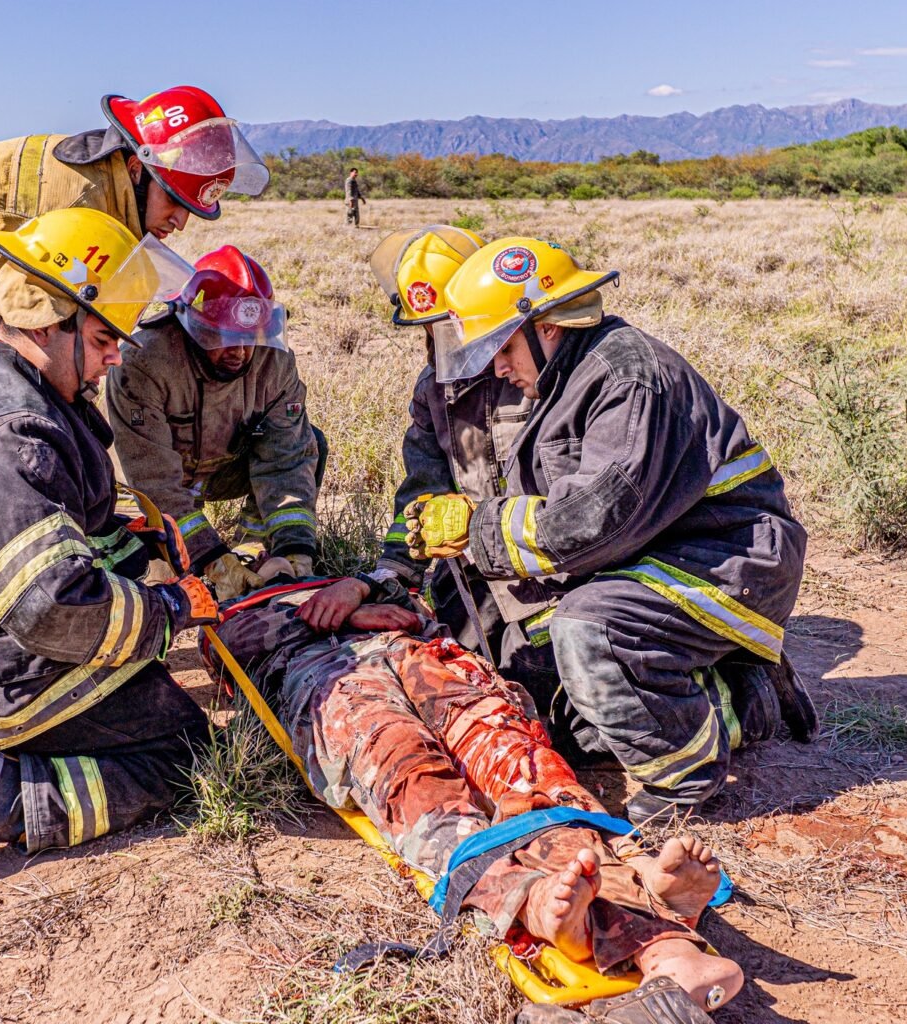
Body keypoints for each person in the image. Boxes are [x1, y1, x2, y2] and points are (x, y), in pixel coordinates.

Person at [0, 206, 222, 896]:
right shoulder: (9, 434)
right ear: (44, 318)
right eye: (100, 336)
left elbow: (41, 534)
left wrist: (135, 546)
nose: (116, 354)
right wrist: (172, 608)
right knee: (184, 750)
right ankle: (1, 795)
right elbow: (53, 607)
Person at [405, 237, 817, 822]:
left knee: (589, 633)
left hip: (732, 558)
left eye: (503, 347)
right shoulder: (563, 381)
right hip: (662, 557)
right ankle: (739, 696)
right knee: (561, 716)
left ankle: (684, 777)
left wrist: (479, 529)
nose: (498, 367)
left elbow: (589, 523)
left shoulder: (625, 379)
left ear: (545, 327)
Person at [207, 582, 744, 1020]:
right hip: (330, 680)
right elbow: (241, 657)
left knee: (512, 754)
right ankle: (549, 903)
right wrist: (310, 617)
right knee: (407, 769)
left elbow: (412, 598)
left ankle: (652, 924)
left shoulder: (357, 573)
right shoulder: (227, 615)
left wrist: (365, 597)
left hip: (419, 652)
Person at [0, 85, 269, 447]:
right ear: (137, 168)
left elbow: (65, 332)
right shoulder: (73, 204)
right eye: (174, 199)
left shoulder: (108, 196)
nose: (181, 221)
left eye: (194, 207)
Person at [298, 226, 534, 670]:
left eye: (453, 328)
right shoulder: (434, 391)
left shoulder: (536, 376)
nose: (445, 347)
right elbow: (421, 501)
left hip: (555, 571)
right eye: (432, 331)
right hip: (478, 574)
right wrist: (375, 581)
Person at [107, 246, 323, 602]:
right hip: (139, 486)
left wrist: (294, 550)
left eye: (248, 337)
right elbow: (155, 481)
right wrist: (211, 559)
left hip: (220, 468)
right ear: (192, 326)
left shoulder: (276, 364)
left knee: (313, 441)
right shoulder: (145, 364)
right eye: (223, 339)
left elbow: (287, 459)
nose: (238, 351)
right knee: (155, 581)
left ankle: (253, 548)